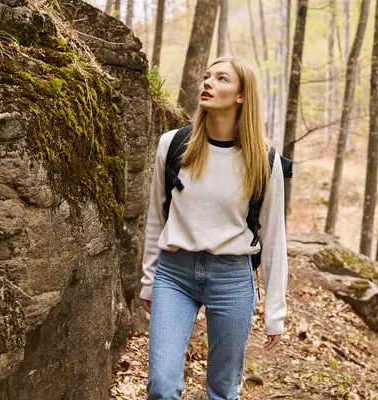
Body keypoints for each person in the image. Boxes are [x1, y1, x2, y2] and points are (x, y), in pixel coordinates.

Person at [139, 56, 288, 400]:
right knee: (162, 387)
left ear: (241, 96)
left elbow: (274, 236)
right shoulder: (173, 144)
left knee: (222, 390)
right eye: (207, 77)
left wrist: (275, 311)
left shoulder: (264, 159)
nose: (208, 83)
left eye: (222, 79)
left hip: (232, 279)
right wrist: (149, 280)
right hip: (175, 275)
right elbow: (155, 218)